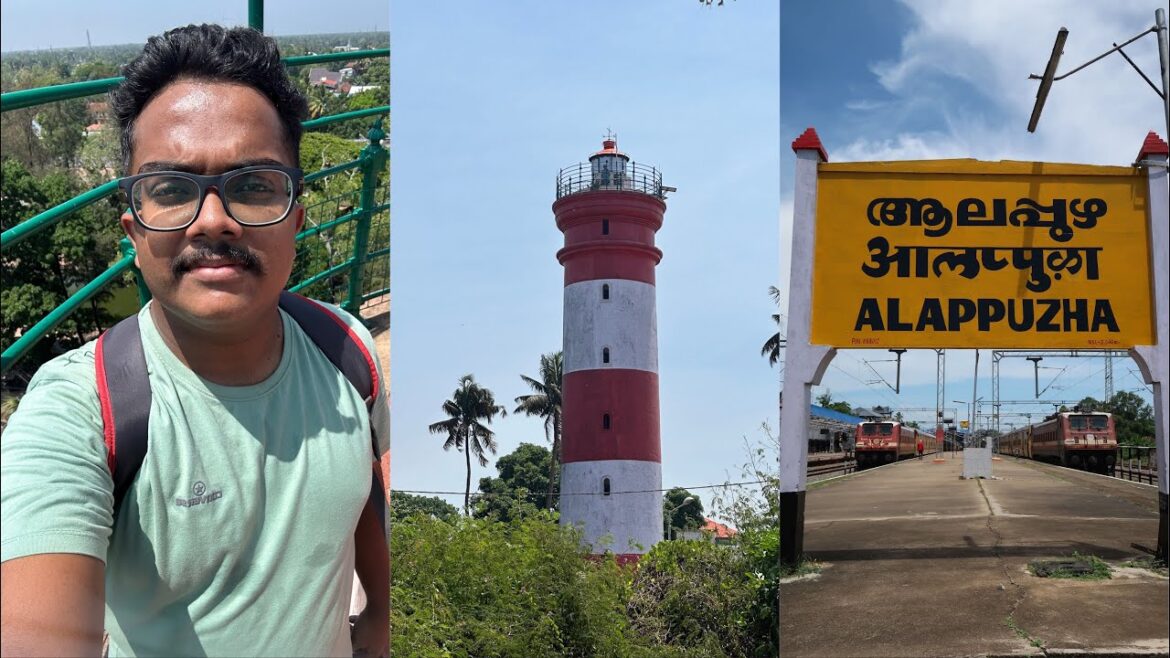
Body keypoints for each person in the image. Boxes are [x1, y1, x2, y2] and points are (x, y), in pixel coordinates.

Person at [0, 24, 389, 658]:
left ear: (297, 214)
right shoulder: (77, 415)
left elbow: (364, 484)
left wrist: (376, 623)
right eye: (173, 189)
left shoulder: (344, 349)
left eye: (255, 185)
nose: (214, 220)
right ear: (133, 226)